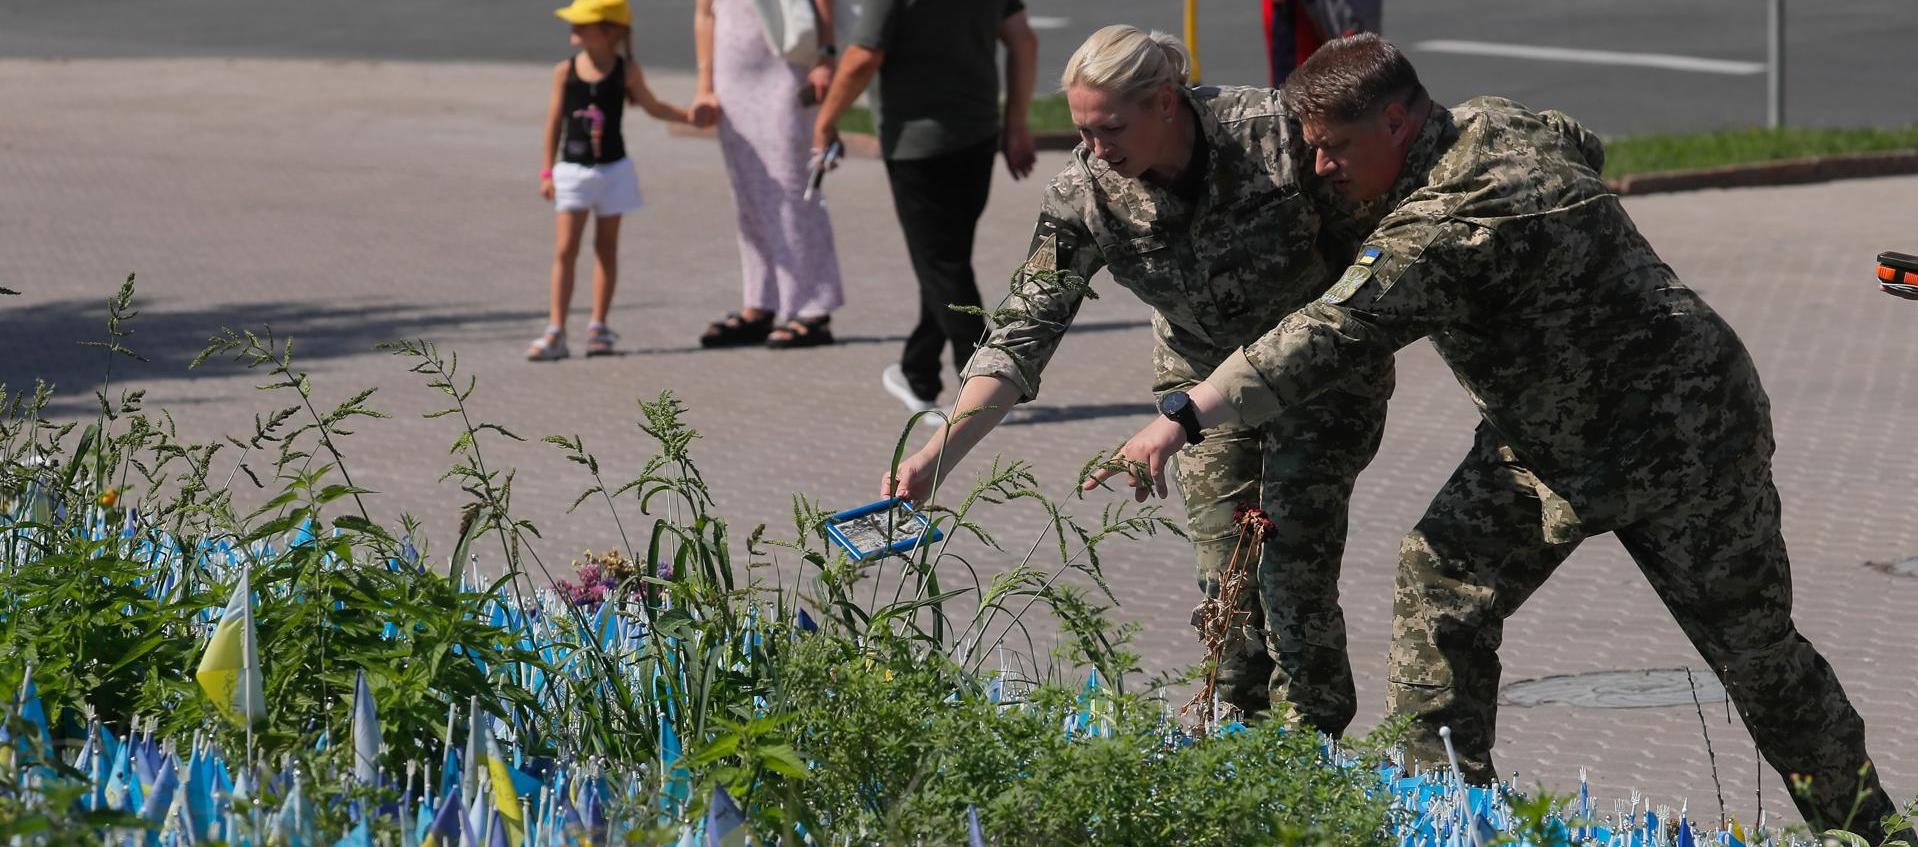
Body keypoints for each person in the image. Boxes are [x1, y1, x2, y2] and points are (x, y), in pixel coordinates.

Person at [1088, 33, 1909, 839]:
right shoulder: (1498, 119)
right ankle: (1451, 816)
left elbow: (1332, 329)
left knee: (1755, 653)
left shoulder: (1444, 227)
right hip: (1546, 437)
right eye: (1310, 149)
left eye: (1335, 148)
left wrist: (1186, 413)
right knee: (1441, 580)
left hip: (1682, 430)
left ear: (1398, 125)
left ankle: (1871, 832)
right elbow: (1576, 138)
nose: (1321, 170)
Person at [881, 26, 1394, 737]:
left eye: (1111, 127)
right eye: (1082, 131)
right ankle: (1239, 748)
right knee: (1225, 586)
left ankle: (1315, 751)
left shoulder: (1275, 134)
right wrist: (940, 453)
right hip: (1202, 388)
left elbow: (1378, 231)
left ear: (1162, 101)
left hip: (1318, 377)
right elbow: (1023, 330)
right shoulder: (1085, 194)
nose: (1097, 148)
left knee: (1290, 566)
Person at [811, 0, 1038, 411]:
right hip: (978, 135)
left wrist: (825, 122)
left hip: (918, 147)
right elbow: (1023, 39)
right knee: (944, 261)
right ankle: (918, 373)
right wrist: (1016, 123)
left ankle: (989, 387)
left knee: (943, 265)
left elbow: (863, 57)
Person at [530, 0, 702, 361]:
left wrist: (691, 116)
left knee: (606, 249)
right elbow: (553, 124)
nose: (573, 29)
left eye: (582, 23)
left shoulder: (627, 71)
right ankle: (556, 329)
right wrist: (547, 172)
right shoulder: (566, 71)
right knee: (565, 249)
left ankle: (599, 326)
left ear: (609, 31)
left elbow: (653, 107)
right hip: (573, 172)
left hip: (614, 171)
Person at [691, 0, 847, 350]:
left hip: (786, 63)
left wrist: (826, 55)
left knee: (793, 189)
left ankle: (812, 308)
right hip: (731, 73)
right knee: (747, 192)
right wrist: (705, 86)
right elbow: (705, 13)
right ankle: (761, 302)